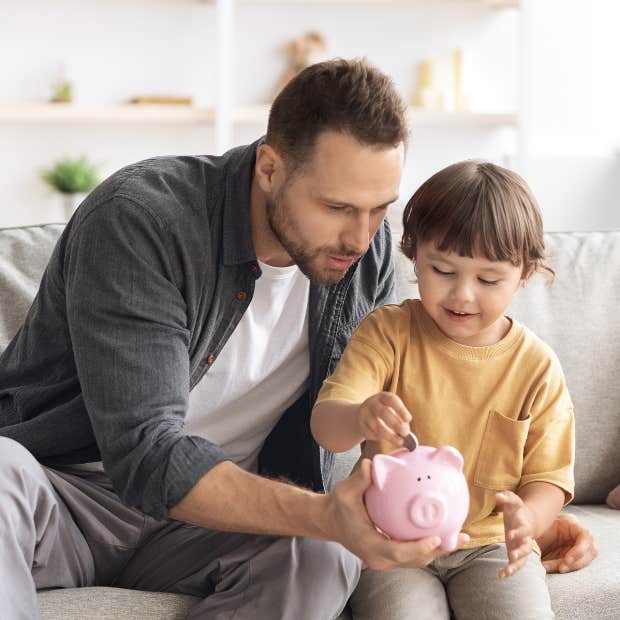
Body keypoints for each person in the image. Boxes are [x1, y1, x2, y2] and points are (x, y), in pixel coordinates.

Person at [0, 60, 595, 620]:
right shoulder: (143, 221)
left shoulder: (366, 254)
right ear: (269, 168)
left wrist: (527, 515)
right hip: (69, 499)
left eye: (378, 209)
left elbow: (411, 415)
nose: (361, 238)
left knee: (320, 555)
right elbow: (148, 456)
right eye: (337, 206)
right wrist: (324, 513)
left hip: (220, 521)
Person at [311, 161, 587, 619]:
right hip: (391, 540)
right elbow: (326, 427)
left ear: (525, 273)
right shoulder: (388, 334)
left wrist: (530, 521)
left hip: (490, 546)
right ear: (414, 256)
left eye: (488, 280)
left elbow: (549, 478)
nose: (462, 295)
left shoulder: (536, 366)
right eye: (442, 270)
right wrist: (359, 416)